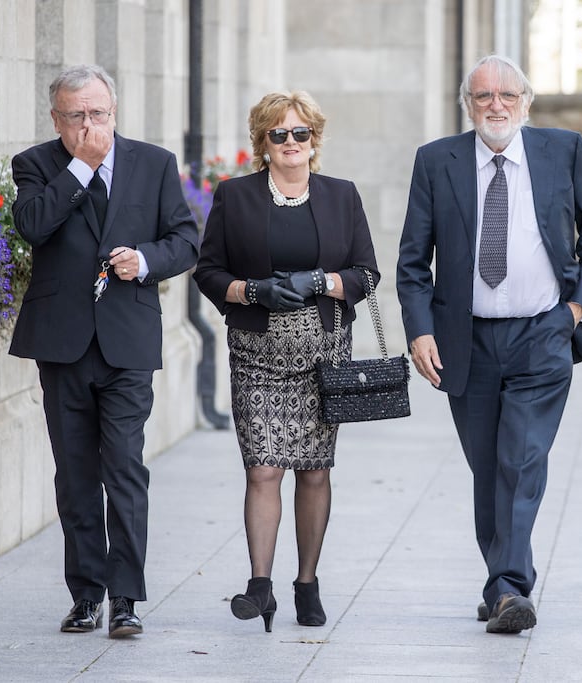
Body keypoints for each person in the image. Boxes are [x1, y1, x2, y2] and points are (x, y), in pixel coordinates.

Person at [396, 54, 582, 634]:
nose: (496, 106)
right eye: (484, 97)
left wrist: (575, 310)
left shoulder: (562, 151)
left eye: (508, 96)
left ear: (526, 102)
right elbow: (414, 261)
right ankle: (501, 582)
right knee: (488, 469)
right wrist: (419, 330)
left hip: (542, 334)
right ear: (468, 105)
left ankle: (511, 587)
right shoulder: (435, 161)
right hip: (466, 340)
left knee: (522, 461)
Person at [9, 64, 199, 637]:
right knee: (74, 476)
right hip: (62, 342)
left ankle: (126, 599)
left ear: (114, 111)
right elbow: (33, 226)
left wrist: (144, 262)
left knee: (124, 470)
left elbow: (185, 240)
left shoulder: (155, 163)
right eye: (77, 116)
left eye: (99, 114)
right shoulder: (36, 165)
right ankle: (86, 594)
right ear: (56, 118)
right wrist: (81, 167)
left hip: (126, 341)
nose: (90, 125)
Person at [193, 91, 379, 632]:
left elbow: (367, 275)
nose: (291, 143)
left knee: (315, 473)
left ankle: (307, 582)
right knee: (263, 468)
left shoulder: (342, 197)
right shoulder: (235, 197)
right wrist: (253, 292)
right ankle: (260, 584)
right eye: (280, 134)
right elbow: (208, 273)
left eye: (301, 133)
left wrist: (320, 281)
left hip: (323, 355)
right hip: (256, 355)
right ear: (263, 143)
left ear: (314, 140)